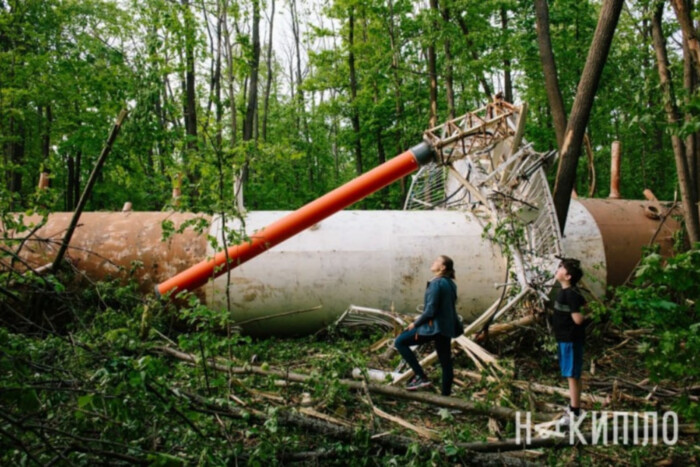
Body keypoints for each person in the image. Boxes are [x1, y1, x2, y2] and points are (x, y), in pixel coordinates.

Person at [394, 255, 461, 396]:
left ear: (442, 267)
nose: (433, 262)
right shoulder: (450, 284)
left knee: (400, 342)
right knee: (446, 363)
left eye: (436, 261)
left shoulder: (436, 283)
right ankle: (445, 400)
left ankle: (421, 376)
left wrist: (415, 323)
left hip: (433, 328)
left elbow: (430, 311)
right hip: (445, 328)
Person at [551, 257, 587, 427]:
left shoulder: (571, 295)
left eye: (561, 267)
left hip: (570, 340)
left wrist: (589, 318)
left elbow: (578, 319)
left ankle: (575, 412)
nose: (558, 269)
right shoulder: (568, 293)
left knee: (571, 375)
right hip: (566, 339)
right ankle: (575, 407)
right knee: (572, 374)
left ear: (568, 276)